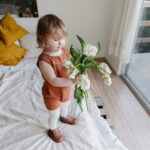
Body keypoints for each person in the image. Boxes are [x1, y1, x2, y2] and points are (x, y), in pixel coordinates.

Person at [36, 14, 78, 143]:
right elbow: (53, 80)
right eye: (55, 39)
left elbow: (72, 64)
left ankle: (64, 116)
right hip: (52, 93)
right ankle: (52, 128)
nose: (60, 42)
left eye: (62, 38)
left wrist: (78, 70)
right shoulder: (45, 60)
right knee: (54, 114)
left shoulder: (64, 51)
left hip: (65, 89)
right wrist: (71, 81)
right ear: (43, 39)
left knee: (66, 104)